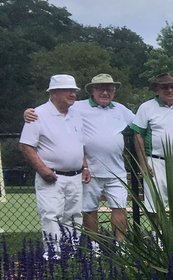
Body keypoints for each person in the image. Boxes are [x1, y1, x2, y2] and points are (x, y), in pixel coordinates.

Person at [24, 73, 136, 244]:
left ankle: (121, 247)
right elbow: (50, 111)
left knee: (116, 208)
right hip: (88, 171)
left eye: (110, 89)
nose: (105, 92)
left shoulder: (121, 110)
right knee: (85, 211)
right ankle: (93, 247)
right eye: (101, 89)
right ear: (92, 91)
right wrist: (27, 112)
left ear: (114, 92)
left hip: (112, 170)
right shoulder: (76, 107)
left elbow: (141, 125)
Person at [19, 74, 86, 256]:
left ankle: (73, 254)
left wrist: (85, 166)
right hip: (51, 176)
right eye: (68, 90)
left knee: (74, 216)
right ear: (54, 93)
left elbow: (80, 144)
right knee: (51, 215)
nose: (72, 94)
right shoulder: (37, 115)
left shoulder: (76, 113)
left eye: (73, 90)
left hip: (76, 175)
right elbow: (26, 145)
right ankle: (54, 256)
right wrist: (42, 170)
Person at [131, 72, 173, 214]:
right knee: (155, 205)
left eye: (172, 87)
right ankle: (156, 236)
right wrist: (143, 163)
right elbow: (138, 135)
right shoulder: (147, 107)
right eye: (165, 88)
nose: (170, 91)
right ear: (157, 90)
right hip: (156, 162)